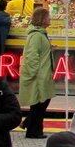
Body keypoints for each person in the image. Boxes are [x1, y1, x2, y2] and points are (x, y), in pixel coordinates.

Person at [20, 7, 55, 138]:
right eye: (47, 16)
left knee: (41, 102)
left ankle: (30, 124)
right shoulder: (36, 35)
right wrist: (34, 73)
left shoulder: (40, 34)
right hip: (40, 75)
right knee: (40, 103)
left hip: (43, 74)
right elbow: (32, 55)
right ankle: (34, 130)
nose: (50, 18)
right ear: (42, 19)